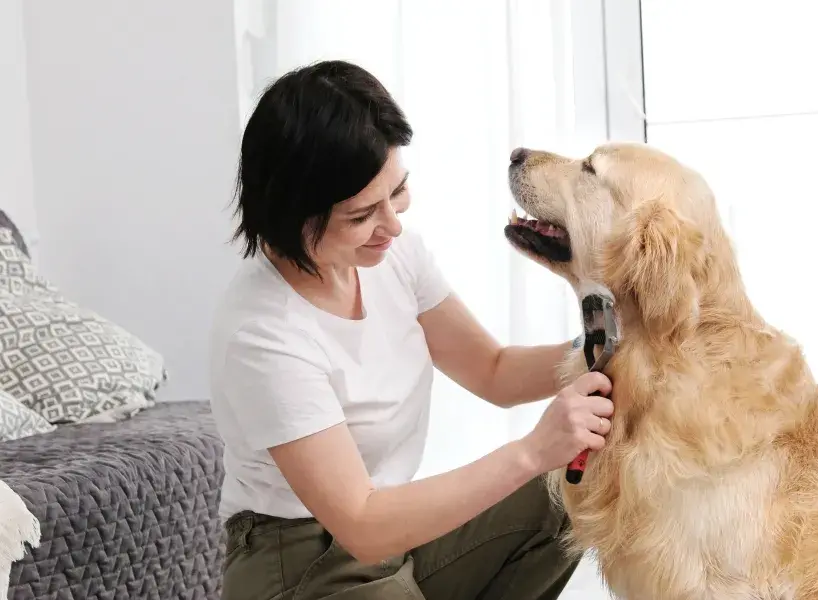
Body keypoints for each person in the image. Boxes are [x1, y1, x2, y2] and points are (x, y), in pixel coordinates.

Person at [208, 59, 614, 600]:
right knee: (544, 467)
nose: (393, 225)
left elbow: (493, 371)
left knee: (573, 491)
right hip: (302, 561)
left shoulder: (393, 256)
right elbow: (363, 523)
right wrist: (533, 450)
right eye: (362, 215)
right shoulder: (264, 334)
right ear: (293, 215)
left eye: (397, 192)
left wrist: (604, 352)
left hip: (392, 532)